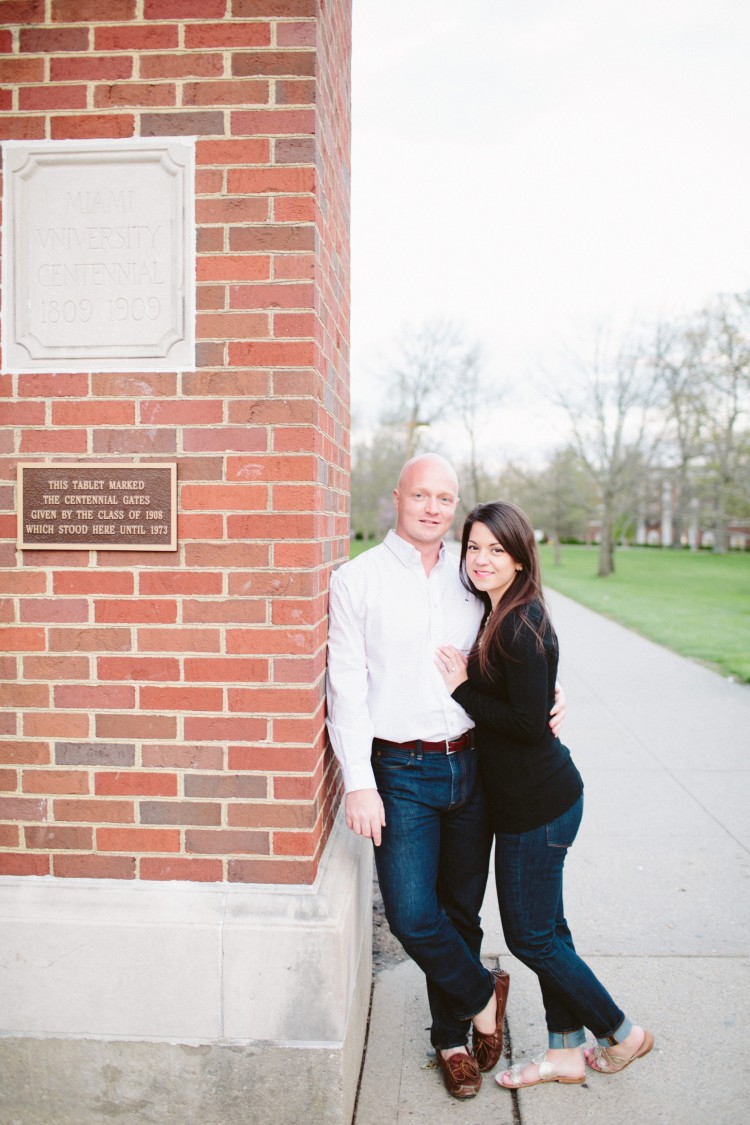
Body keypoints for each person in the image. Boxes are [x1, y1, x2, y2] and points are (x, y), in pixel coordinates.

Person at [326, 455, 565, 1099]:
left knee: (461, 911)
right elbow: (345, 687)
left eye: (445, 498)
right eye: (421, 494)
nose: (433, 508)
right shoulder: (358, 580)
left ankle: (450, 1037)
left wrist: (550, 688)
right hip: (399, 770)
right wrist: (357, 780)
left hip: (475, 763)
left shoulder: (472, 576)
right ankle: (486, 997)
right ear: (397, 496)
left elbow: (514, 646)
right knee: (410, 911)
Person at [436, 500, 654, 1091]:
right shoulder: (503, 610)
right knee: (550, 931)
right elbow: (533, 702)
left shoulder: (518, 623)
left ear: (519, 557)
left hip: (540, 808)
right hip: (533, 803)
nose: (481, 560)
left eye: (495, 550)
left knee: (531, 937)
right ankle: (563, 1053)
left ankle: (621, 1032)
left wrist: (461, 689)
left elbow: (529, 724)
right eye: (474, 547)